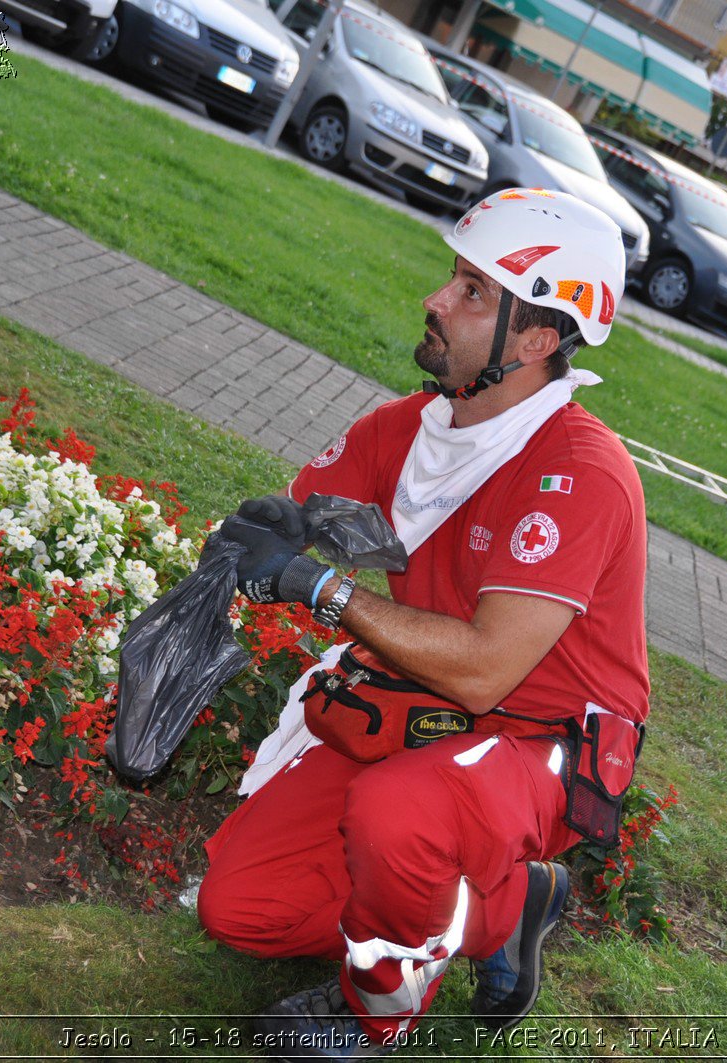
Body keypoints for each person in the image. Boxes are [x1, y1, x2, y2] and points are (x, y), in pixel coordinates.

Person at [196, 188, 651, 1059]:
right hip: (418, 715)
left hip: (530, 742)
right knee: (241, 908)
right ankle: (504, 907)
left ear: (535, 339)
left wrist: (322, 587)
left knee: (399, 816)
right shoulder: (410, 426)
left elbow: (487, 671)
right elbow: (289, 520)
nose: (437, 301)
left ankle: (375, 1013)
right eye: (453, 279)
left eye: (474, 292)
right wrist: (251, 548)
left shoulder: (578, 471)